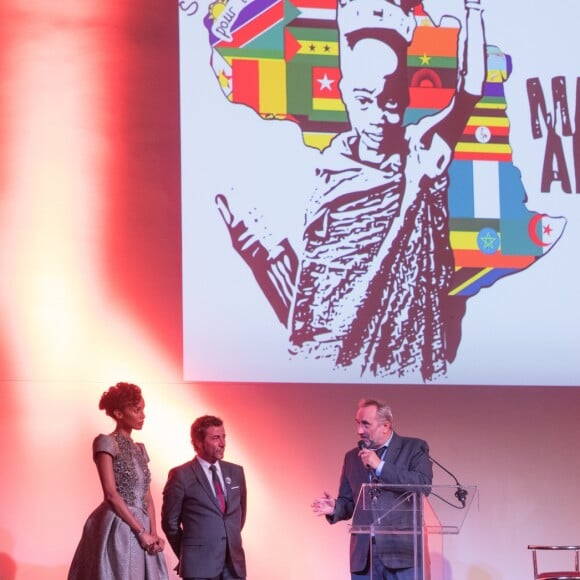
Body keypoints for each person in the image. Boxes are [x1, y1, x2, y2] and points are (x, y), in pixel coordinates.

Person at [217, 0, 486, 381]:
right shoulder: (329, 178)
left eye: (391, 102)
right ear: (344, 93)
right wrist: (262, 259)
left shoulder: (423, 150)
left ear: (406, 97)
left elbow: (470, 88)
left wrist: (473, 9)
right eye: (364, 100)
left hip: (412, 353)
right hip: (341, 364)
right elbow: (312, 313)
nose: (379, 116)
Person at [311, 398, 433, 580]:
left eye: (365, 424)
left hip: (401, 555)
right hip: (364, 556)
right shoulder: (352, 457)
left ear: (385, 426)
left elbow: (423, 485)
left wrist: (380, 466)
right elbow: (349, 503)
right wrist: (335, 507)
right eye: (357, 423)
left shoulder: (413, 448)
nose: (359, 431)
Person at [68, 382, 169, 580]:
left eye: (143, 409)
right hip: (120, 524)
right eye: (136, 410)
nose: (142, 415)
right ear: (119, 414)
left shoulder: (140, 448)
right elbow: (111, 494)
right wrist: (140, 532)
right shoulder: (106, 442)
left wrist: (154, 532)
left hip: (143, 526)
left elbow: (147, 496)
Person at [161, 415, 247, 580]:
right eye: (215, 438)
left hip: (233, 566)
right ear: (198, 443)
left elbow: (239, 516)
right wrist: (189, 556)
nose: (222, 443)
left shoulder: (236, 472)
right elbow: (170, 523)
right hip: (199, 568)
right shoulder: (181, 475)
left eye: (223, 437)